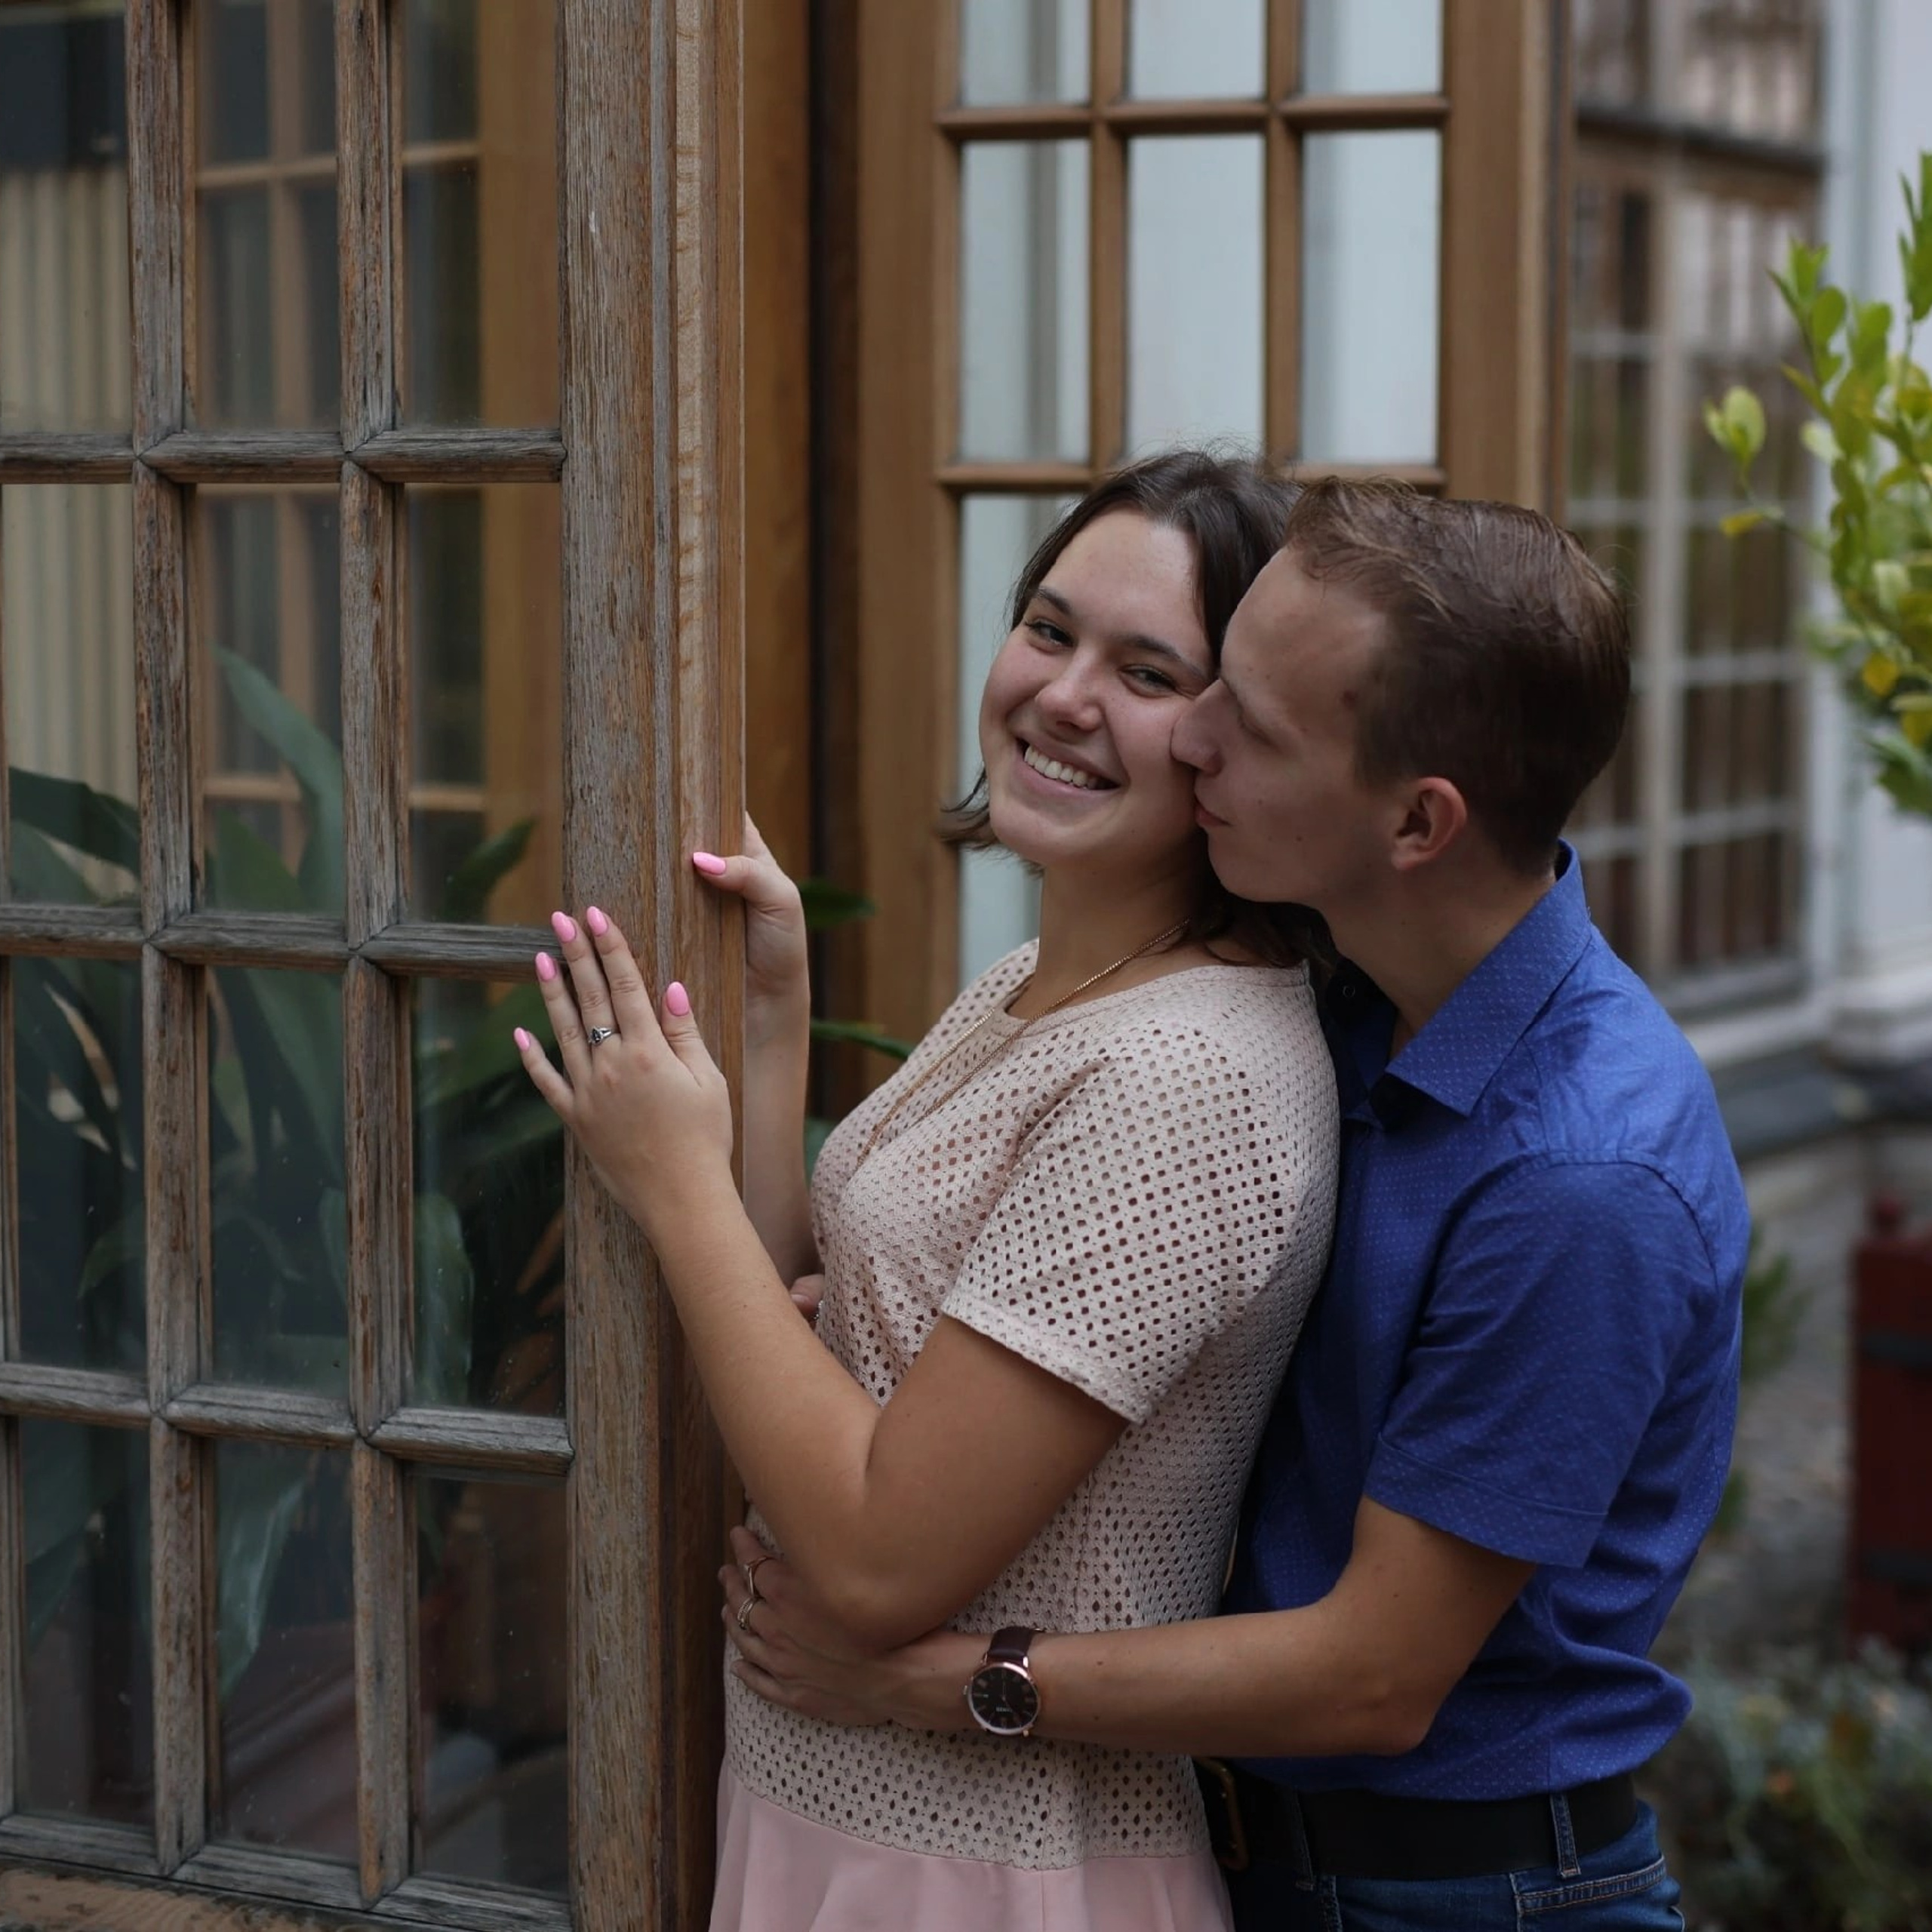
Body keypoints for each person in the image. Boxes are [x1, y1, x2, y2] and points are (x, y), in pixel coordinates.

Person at [721, 477, 1751, 1932]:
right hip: (1260, 1849)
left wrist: (929, 1678)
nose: (1184, 732)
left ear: (1416, 824)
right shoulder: (1349, 1000)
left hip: (1462, 1900)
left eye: (1242, 718)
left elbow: (1376, 1678)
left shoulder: (1583, 1181)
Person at [516, 452, 1342, 1928]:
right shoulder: (1035, 986)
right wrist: (778, 1020)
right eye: (1047, 625)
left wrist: (673, 1183)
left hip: (995, 1865)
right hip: (826, 1815)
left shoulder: (1186, 1076)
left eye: (1144, 669)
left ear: (1231, 740)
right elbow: (795, 1363)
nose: (1063, 693)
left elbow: (876, 1554)